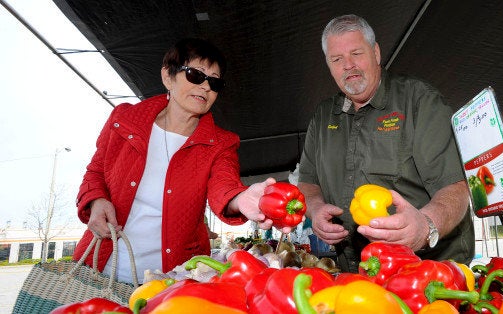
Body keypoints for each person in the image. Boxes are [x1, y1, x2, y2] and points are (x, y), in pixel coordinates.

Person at [73, 38, 289, 283]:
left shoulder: (221, 143)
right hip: (100, 268)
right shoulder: (124, 120)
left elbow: (224, 186)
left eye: (214, 81)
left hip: (175, 279)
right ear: (168, 76)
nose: (206, 86)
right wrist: (96, 200)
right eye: (196, 75)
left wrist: (241, 199)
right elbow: (95, 172)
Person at [298, 14, 474, 272]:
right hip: (358, 270)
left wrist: (426, 226)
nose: (348, 65)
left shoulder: (419, 102)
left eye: (356, 53)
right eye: (337, 59)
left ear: (376, 52)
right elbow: (308, 181)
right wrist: (315, 209)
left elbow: (456, 187)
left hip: (429, 271)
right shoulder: (323, 115)